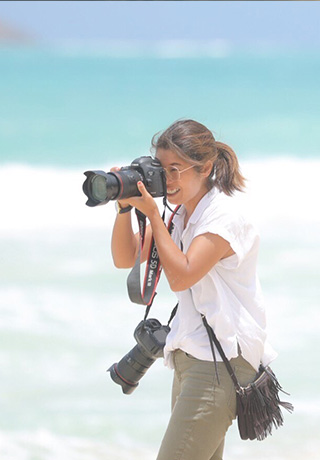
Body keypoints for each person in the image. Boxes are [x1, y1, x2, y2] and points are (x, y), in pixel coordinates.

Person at [110, 119, 277, 460]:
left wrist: (153, 215)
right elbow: (124, 257)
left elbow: (182, 276)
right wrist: (124, 208)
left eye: (176, 169)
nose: (167, 180)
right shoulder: (180, 216)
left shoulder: (223, 217)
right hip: (192, 360)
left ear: (205, 168)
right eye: (161, 170)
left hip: (220, 364)